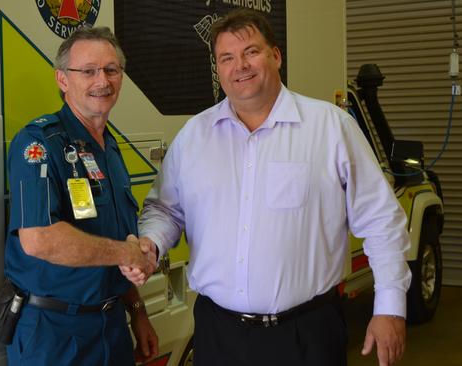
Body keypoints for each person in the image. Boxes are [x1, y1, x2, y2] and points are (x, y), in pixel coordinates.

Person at [126, 8, 410, 366]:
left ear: (275, 56)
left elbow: (381, 221)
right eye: (227, 58)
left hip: (306, 334)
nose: (239, 66)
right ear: (218, 68)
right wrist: (151, 242)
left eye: (251, 52)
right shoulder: (194, 137)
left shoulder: (330, 128)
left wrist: (390, 309)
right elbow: (166, 208)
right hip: (218, 334)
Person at [3, 26, 158, 366]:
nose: (102, 81)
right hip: (54, 333)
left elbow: (116, 240)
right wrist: (127, 252)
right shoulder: (38, 144)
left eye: (111, 70)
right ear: (62, 80)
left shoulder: (111, 147)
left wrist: (137, 311)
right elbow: (38, 239)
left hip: (111, 327)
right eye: (88, 71)